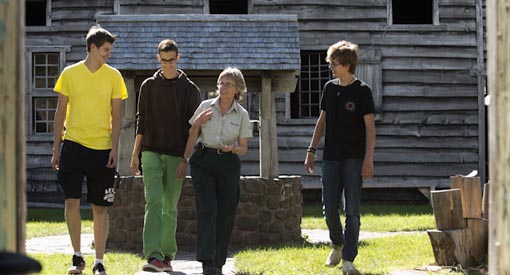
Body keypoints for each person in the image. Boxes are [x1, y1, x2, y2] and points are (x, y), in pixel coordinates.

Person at [51, 26, 128, 275]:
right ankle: (77, 257)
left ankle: (99, 261)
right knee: (71, 202)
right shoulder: (69, 74)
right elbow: (60, 112)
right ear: (92, 48)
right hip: (72, 145)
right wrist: (56, 148)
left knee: (100, 207)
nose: (109, 53)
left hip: (102, 149)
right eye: (106, 49)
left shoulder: (114, 76)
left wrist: (115, 148)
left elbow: (117, 116)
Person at [304, 40, 375, 275]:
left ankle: (348, 260)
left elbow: (370, 128)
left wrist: (368, 159)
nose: (330, 67)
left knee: (352, 211)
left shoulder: (363, 91)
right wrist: (311, 150)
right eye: (330, 63)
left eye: (333, 64)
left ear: (346, 65)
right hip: (331, 158)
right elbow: (321, 121)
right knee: (329, 209)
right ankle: (337, 242)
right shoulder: (328, 88)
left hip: (355, 158)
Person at [130, 39, 202, 273]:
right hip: (150, 152)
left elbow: (194, 130)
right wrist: (135, 154)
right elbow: (141, 121)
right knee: (154, 200)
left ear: (178, 58)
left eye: (171, 61)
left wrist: (185, 159)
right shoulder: (148, 86)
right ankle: (153, 256)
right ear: (158, 59)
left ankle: (167, 254)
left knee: (170, 205)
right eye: (163, 61)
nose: (168, 65)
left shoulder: (190, 90)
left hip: (176, 156)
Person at [179, 67, 252, 275]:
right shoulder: (205, 107)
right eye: (220, 83)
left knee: (226, 213)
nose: (223, 87)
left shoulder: (242, 114)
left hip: (228, 162)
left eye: (228, 84)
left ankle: (218, 262)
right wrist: (185, 157)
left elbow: (244, 148)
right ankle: (206, 262)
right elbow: (192, 134)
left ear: (237, 88)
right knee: (208, 209)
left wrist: (232, 148)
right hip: (204, 160)